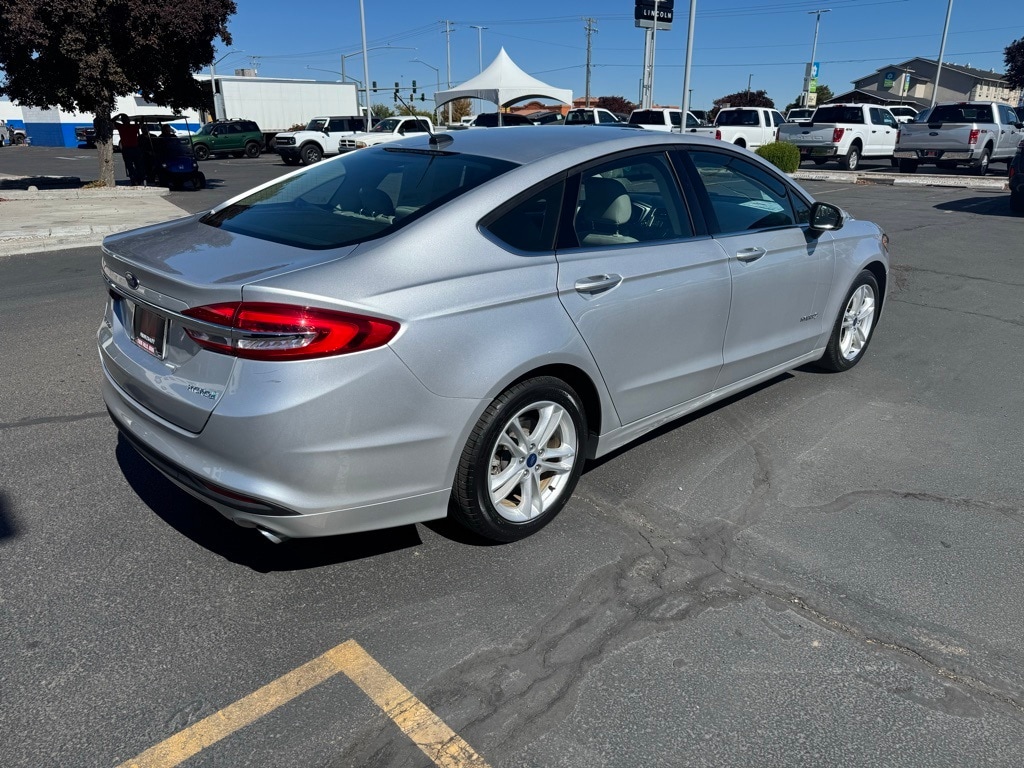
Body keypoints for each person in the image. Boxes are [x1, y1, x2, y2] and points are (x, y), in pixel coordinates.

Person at [114, 115, 143, 185]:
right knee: (138, 165)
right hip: (135, 148)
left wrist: (118, 115)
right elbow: (141, 124)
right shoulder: (134, 127)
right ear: (129, 120)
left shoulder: (121, 127)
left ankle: (133, 179)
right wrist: (142, 118)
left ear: (122, 121)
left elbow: (112, 121)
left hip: (126, 149)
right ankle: (139, 179)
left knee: (129, 166)